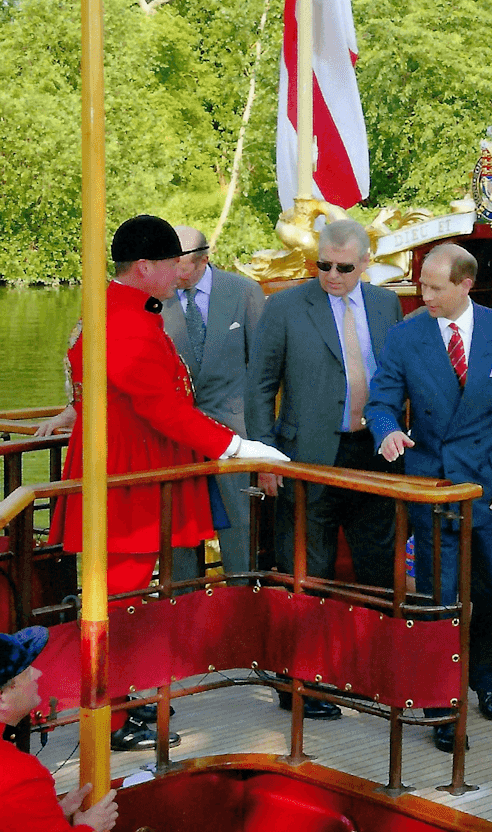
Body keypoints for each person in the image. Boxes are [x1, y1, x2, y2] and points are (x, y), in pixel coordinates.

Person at [53, 215, 287, 753]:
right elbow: (161, 406)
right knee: (121, 599)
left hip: (125, 469)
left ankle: (124, 702)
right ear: (145, 268)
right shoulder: (127, 322)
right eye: (170, 262)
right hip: (130, 478)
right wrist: (236, 446)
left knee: (123, 596)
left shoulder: (120, 311)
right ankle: (113, 716)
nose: (180, 269)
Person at [366, 244, 492, 754]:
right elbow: (381, 401)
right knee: (439, 599)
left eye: (437, 288)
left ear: (466, 285)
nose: (425, 296)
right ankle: (441, 704)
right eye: (422, 285)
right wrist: (389, 431)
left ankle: (485, 679)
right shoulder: (405, 334)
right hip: (433, 488)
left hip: (490, 489)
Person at [250, 219, 402, 721]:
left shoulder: (385, 304)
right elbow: (259, 388)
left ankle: (369, 674)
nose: (330, 275)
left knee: (378, 568)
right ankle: (298, 682)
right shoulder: (285, 307)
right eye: (322, 265)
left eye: (342, 267)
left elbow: (397, 377)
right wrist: (264, 459)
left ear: (364, 263)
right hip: (307, 459)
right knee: (305, 571)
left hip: (373, 456)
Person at [161, 225, 267, 581]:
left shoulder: (244, 292)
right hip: (176, 436)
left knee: (240, 530)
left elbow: (264, 372)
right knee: (178, 535)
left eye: (181, 263)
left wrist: (264, 445)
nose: (174, 271)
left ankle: (244, 604)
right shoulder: (156, 299)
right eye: (168, 261)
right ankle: (181, 613)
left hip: (234, 433)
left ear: (204, 259)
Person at [1, 626, 120, 832]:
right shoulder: (19, 774)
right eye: (25, 672)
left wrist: (55, 815)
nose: (37, 673)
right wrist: (89, 828)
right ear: (2, 697)